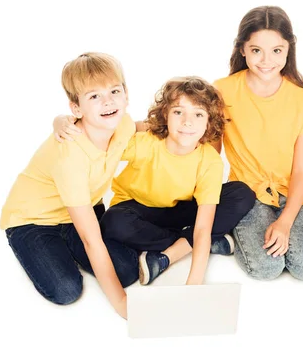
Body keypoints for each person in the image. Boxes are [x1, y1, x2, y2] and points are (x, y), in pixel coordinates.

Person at [53, 77, 255, 286]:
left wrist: (194, 282)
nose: (187, 121)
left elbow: (203, 226)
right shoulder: (146, 143)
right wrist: (62, 121)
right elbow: (101, 136)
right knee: (113, 222)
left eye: (198, 114)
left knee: (241, 193)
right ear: (165, 115)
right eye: (178, 112)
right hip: (138, 210)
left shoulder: (209, 160)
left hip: (180, 209)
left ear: (209, 122)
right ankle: (201, 242)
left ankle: (172, 253)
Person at [0, 52, 138, 318]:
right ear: (76, 108)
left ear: (126, 94)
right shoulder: (71, 156)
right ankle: (47, 247)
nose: (107, 101)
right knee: (66, 290)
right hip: (33, 219)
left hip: (79, 210)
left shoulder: (123, 124)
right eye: (94, 96)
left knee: (128, 270)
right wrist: (121, 303)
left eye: (114, 91)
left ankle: (68, 246)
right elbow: (91, 238)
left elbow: (140, 129)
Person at [213, 6, 303, 281]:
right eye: (256, 50)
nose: (266, 60)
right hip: (247, 195)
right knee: (266, 268)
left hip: (293, 193)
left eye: (276, 50)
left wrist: (285, 222)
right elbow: (211, 154)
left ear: (289, 49)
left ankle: (272, 226)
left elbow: (301, 172)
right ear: (242, 50)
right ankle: (228, 235)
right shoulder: (223, 90)